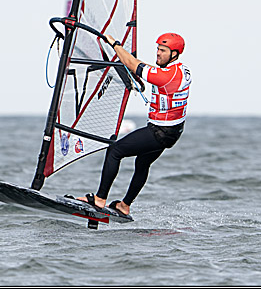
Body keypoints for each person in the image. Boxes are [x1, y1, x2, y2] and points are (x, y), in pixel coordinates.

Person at [76, 32, 191, 216]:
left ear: (174, 54)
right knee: (142, 163)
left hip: (158, 132)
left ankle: (99, 199)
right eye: (158, 49)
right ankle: (124, 205)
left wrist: (114, 44)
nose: (158, 53)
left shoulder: (166, 76)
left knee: (115, 151)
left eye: (163, 50)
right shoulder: (182, 71)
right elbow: (149, 72)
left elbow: (132, 64)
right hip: (173, 132)